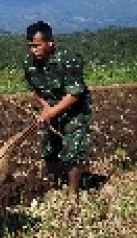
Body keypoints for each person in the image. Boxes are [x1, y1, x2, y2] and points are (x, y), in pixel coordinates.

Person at [23, 21, 92, 197]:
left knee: (72, 150)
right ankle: (55, 186)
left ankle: (72, 192)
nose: (33, 50)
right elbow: (34, 89)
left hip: (74, 110)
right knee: (49, 150)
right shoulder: (29, 63)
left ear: (50, 42)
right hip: (52, 109)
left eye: (37, 46)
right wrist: (46, 107)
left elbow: (74, 94)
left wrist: (51, 112)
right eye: (30, 46)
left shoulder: (68, 60)